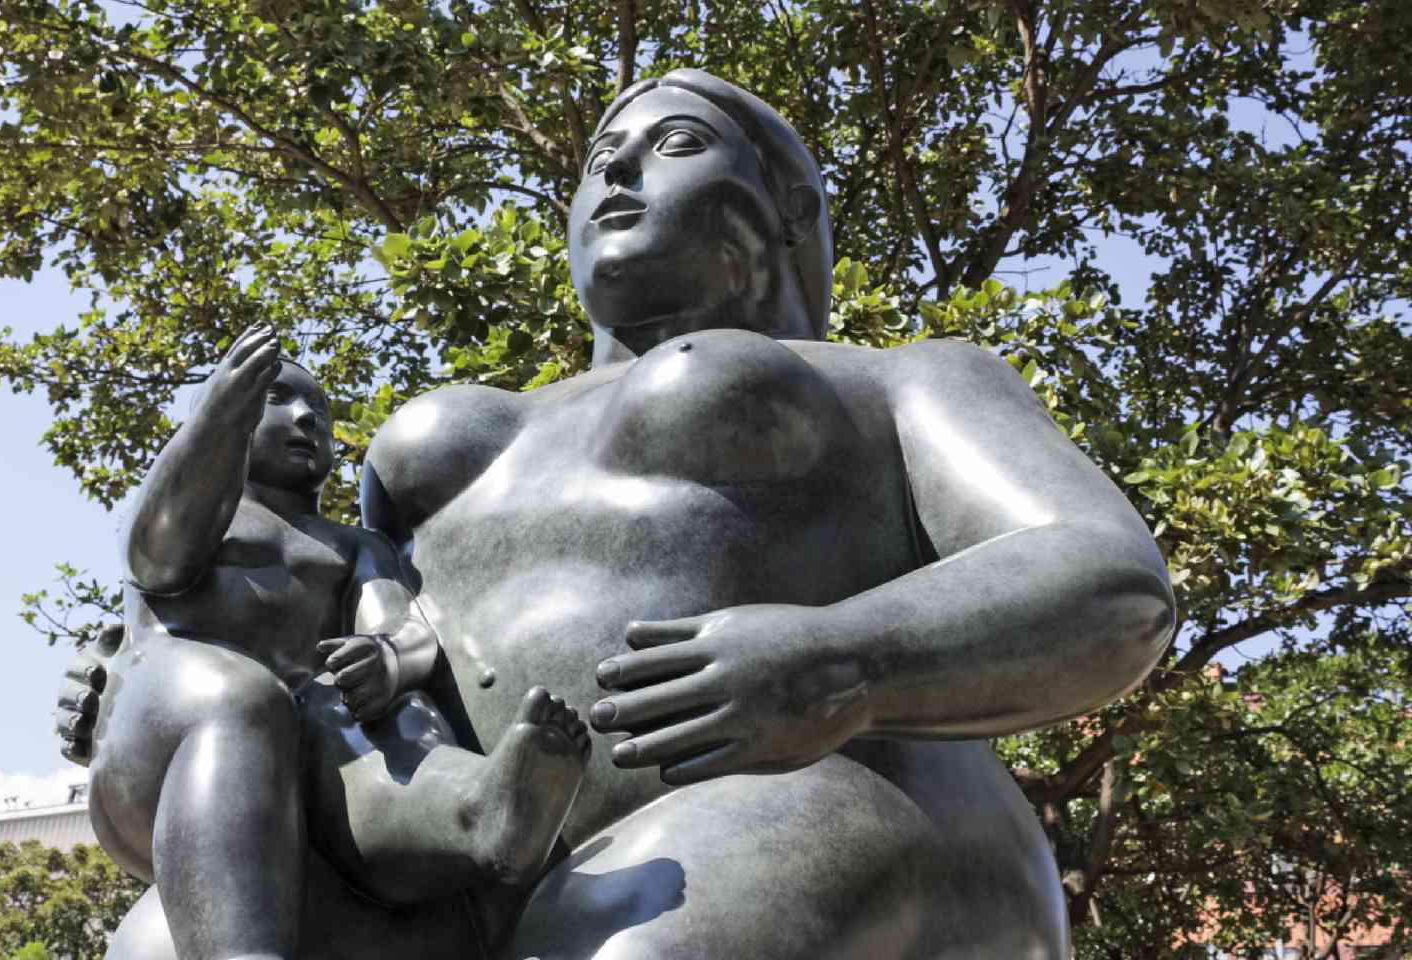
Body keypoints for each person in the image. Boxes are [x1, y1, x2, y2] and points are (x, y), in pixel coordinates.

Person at [61, 69, 1176, 959]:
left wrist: (839, 655)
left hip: (816, 810)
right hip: (456, 869)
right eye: (600, 164)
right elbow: (338, 633)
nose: (619, 178)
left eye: (674, 144)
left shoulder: (899, 375)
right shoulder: (459, 432)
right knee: (169, 937)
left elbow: (1105, 579)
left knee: (622, 944)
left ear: (787, 208)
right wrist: (155, 668)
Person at [79, 323, 589, 960]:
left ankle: (479, 814)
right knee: (238, 696)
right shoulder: (196, 514)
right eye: (277, 398)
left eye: (319, 412)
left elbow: (402, 623)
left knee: (374, 715)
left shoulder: (353, 546)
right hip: (166, 742)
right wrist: (216, 423)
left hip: (303, 745)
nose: (305, 419)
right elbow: (158, 556)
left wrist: (386, 659)